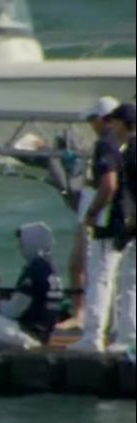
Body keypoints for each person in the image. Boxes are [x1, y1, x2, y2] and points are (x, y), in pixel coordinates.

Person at [69, 98, 125, 352]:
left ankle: (93, 336)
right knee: (126, 280)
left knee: (101, 277)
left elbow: (109, 185)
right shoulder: (129, 145)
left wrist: (93, 212)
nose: (92, 125)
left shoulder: (106, 145)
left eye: (94, 119)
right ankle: (124, 335)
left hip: (110, 221)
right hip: (128, 219)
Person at [105, 102, 136, 352]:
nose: (111, 126)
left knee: (130, 281)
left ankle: (129, 337)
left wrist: (127, 230)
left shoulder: (132, 152)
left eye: (114, 121)